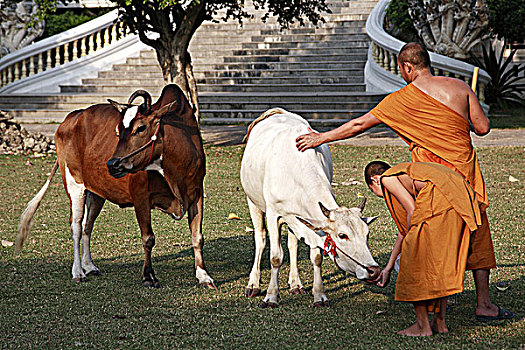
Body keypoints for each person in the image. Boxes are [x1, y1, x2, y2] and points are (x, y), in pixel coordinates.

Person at [296, 42, 514, 321]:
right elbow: (482, 128)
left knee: (433, 238)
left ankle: (437, 305)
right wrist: (455, 123)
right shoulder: (460, 88)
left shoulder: (401, 99)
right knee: (477, 236)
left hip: (432, 181)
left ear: (407, 67)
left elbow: (359, 125)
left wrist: (320, 138)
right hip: (467, 175)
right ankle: (484, 303)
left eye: (401, 70)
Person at [364, 160, 483, 336]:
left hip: (444, 199)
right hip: (458, 198)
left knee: (412, 262)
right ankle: (439, 323)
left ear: (374, 180)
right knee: (440, 265)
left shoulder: (387, 179)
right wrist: (388, 268)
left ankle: (422, 326)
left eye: (373, 191)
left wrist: (413, 242)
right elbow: (403, 232)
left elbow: (412, 211)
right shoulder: (407, 176)